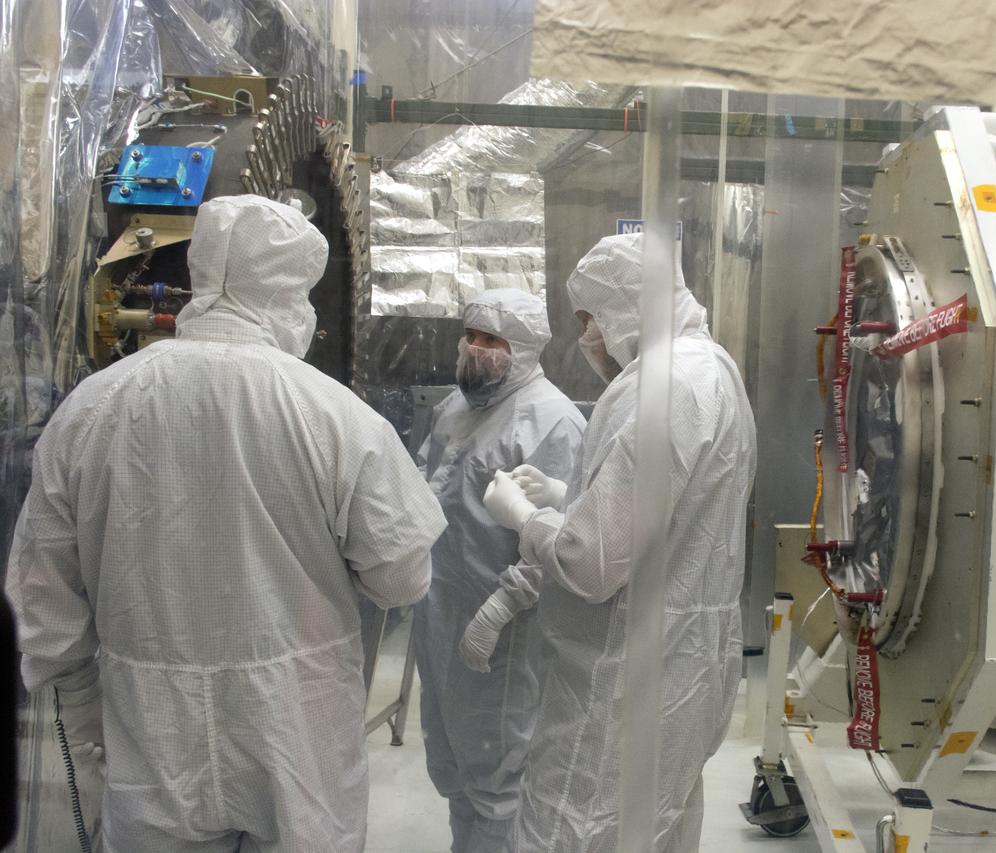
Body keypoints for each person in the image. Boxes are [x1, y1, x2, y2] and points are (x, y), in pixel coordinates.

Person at [4, 194, 447, 853]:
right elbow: (402, 578)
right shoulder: (336, 416)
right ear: (290, 294)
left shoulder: (91, 409)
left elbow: (43, 601)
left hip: (150, 731)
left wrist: (83, 709)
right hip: (296, 731)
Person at [483, 232, 757, 852]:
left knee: (570, 832)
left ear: (627, 305)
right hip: (683, 669)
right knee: (656, 827)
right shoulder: (713, 368)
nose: (588, 337)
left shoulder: (660, 385)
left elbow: (591, 564)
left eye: (590, 318)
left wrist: (525, 517)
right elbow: (679, 515)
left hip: (619, 683)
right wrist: (569, 494)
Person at [414, 289, 585, 852]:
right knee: (451, 757)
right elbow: (424, 485)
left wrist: (500, 608)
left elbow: (564, 536)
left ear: (525, 347)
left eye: (492, 340)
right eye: (470, 335)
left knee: (498, 766)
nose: (474, 348)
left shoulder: (553, 421)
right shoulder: (454, 408)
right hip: (440, 609)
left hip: (506, 630)